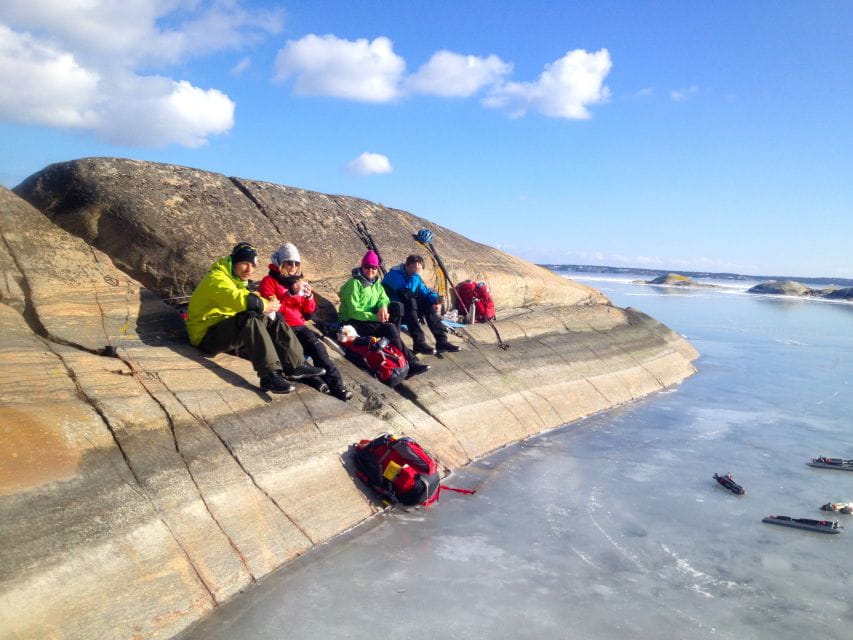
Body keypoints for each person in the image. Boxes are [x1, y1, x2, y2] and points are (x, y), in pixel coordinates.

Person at [186, 242, 326, 394]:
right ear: (234, 261)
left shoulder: (236, 279)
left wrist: (269, 306)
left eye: (253, 265)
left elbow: (248, 297)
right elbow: (238, 299)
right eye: (245, 264)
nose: (249, 269)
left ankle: (295, 365)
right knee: (249, 318)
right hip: (205, 336)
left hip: (222, 330)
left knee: (273, 318)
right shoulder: (216, 278)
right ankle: (269, 375)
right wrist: (266, 305)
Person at [258, 243, 353, 401]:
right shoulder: (269, 281)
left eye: (296, 263)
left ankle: (338, 386)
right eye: (289, 263)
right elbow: (271, 309)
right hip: (280, 327)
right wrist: (289, 293)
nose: (293, 267)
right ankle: (316, 381)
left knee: (318, 348)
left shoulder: (299, 281)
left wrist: (309, 297)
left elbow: (308, 314)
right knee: (296, 354)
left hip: (299, 326)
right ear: (280, 263)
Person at [338, 250, 429, 378]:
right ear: (362, 267)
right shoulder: (354, 284)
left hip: (368, 319)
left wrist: (383, 308)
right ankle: (410, 361)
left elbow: (384, 298)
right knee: (390, 329)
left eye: (374, 267)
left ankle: (403, 355)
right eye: (367, 267)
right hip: (352, 322)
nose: (371, 270)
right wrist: (376, 317)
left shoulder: (375, 283)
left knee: (396, 308)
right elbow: (354, 312)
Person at [382, 254, 461, 355]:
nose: (416, 270)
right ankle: (419, 342)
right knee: (411, 301)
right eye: (413, 267)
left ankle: (442, 341)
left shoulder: (414, 277)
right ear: (406, 266)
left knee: (427, 302)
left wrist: (436, 299)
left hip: (407, 311)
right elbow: (406, 294)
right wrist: (416, 275)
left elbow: (426, 292)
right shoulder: (394, 275)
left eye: (418, 268)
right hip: (391, 311)